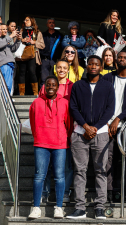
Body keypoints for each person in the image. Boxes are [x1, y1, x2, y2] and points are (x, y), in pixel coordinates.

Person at [67, 55, 115, 220]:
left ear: (101, 67)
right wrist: (85, 126)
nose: (93, 66)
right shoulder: (78, 85)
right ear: (86, 66)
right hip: (80, 134)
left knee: (101, 170)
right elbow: (73, 107)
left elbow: (110, 109)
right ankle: (80, 208)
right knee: (80, 171)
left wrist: (95, 127)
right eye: (90, 64)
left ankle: (100, 207)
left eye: (96, 64)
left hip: (100, 134)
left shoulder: (108, 86)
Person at [28, 75, 72, 219]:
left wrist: (64, 137)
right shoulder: (36, 102)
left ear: (58, 87)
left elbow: (69, 124)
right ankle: (36, 207)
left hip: (59, 143)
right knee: (39, 176)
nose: (51, 87)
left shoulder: (64, 102)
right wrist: (39, 136)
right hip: (41, 143)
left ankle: (58, 207)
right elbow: (33, 123)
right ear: (44, 86)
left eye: (54, 85)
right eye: (48, 85)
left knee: (59, 176)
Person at [102, 51, 126, 203]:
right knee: (108, 160)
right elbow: (101, 102)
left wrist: (118, 119)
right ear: (116, 60)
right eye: (120, 57)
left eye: (125, 57)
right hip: (106, 125)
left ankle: (124, 193)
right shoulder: (107, 78)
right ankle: (109, 193)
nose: (122, 59)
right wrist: (106, 121)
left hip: (125, 125)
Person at [39, 60, 74, 203]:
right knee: (46, 166)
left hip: (65, 131)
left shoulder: (73, 86)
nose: (61, 70)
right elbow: (40, 107)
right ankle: (44, 193)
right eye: (59, 67)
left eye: (64, 68)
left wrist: (70, 132)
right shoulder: (46, 85)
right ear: (55, 68)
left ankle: (65, 192)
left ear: (68, 69)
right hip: (47, 132)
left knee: (67, 166)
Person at [18, 16, 45, 96]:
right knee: (22, 72)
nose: (25, 21)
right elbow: (14, 42)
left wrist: (34, 42)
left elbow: (42, 45)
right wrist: (22, 40)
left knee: (32, 72)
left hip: (33, 54)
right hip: (22, 54)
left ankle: (35, 93)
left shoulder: (37, 32)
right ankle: (21, 93)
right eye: (24, 20)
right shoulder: (21, 31)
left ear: (32, 21)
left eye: (27, 20)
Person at [40, 18, 62, 86]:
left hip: (55, 60)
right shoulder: (43, 34)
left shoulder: (59, 35)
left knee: (55, 78)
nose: (51, 24)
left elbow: (61, 47)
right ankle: (42, 94)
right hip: (45, 59)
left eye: (53, 22)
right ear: (47, 24)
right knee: (44, 79)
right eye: (50, 22)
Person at [0, 23, 21, 93]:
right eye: (3, 29)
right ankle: (5, 103)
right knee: (6, 86)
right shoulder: (4, 40)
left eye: (6, 29)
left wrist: (18, 40)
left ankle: (7, 101)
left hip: (10, 65)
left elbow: (13, 49)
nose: (5, 31)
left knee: (9, 86)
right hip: (4, 64)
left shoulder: (5, 39)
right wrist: (11, 36)